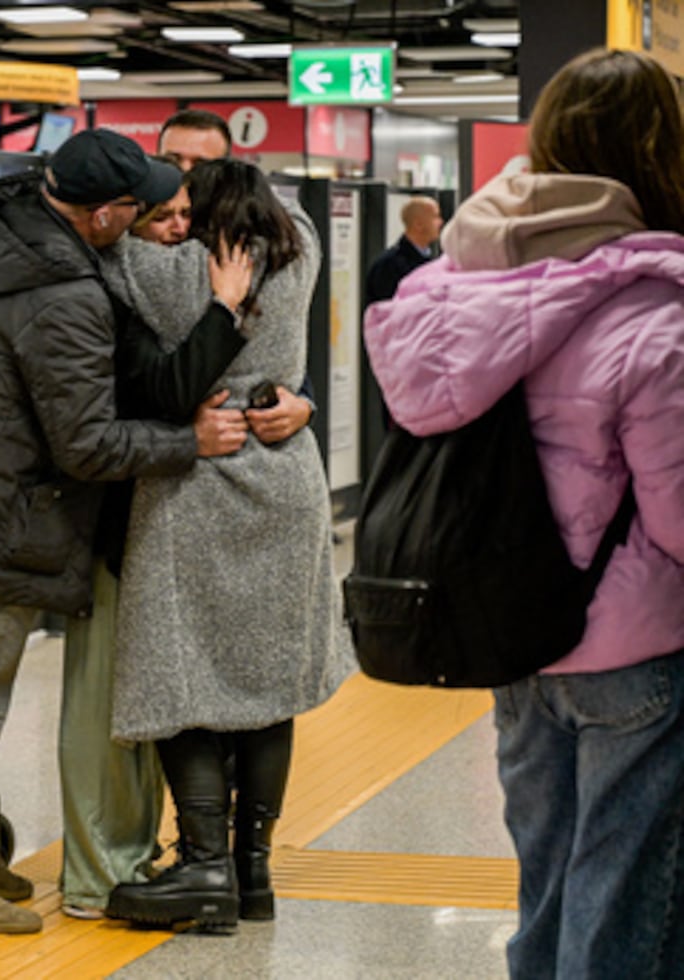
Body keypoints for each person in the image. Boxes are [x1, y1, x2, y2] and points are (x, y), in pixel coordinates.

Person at [0, 128, 252, 936]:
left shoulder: (8, 224)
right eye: (139, 207)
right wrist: (193, 442)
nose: (155, 217)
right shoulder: (64, 296)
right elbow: (89, 446)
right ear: (103, 213)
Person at [363, 48, 684, 979]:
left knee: (546, 884)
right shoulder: (657, 312)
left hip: (511, 632)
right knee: (627, 903)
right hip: (635, 652)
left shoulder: (452, 293)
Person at [103, 159, 356, 930]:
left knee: (184, 681)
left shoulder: (161, 270)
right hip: (286, 483)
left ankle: (203, 862)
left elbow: (108, 253)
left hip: (194, 487)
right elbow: (299, 218)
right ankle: (254, 871)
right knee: (268, 683)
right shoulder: (302, 249)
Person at [57, 160, 255, 920]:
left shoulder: (118, 274)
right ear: (118, 214)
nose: (183, 230)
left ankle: (177, 862)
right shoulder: (111, 288)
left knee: (139, 697)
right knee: (108, 703)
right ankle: (102, 874)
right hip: (105, 517)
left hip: (135, 513)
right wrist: (224, 309)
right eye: (167, 216)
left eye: (189, 216)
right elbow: (164, 393)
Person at [159, 109, 316, 444]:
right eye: (172, 160)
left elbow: (281, 334)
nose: (184, 174)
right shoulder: (138, 229)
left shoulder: (264, 240)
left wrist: (303, 403)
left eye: (199, 165)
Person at [364, 194, 443, 304]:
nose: (440, 222)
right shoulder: (388, 265)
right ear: (418, 224)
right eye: (435, 217)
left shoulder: (431, 262)